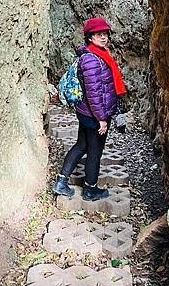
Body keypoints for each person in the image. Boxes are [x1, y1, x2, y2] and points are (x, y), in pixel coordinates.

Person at [53, 17, 127, 201]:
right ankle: (90, 189)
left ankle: (61, 182)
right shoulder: (92, 60)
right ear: (90, 37)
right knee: (95, 151)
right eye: (99, 34)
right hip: (94, 115)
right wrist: (102, 119)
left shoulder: (97, 55)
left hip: (86, 113)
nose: (103, 37)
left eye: (105, 34)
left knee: (81, 145)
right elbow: (94, 94)